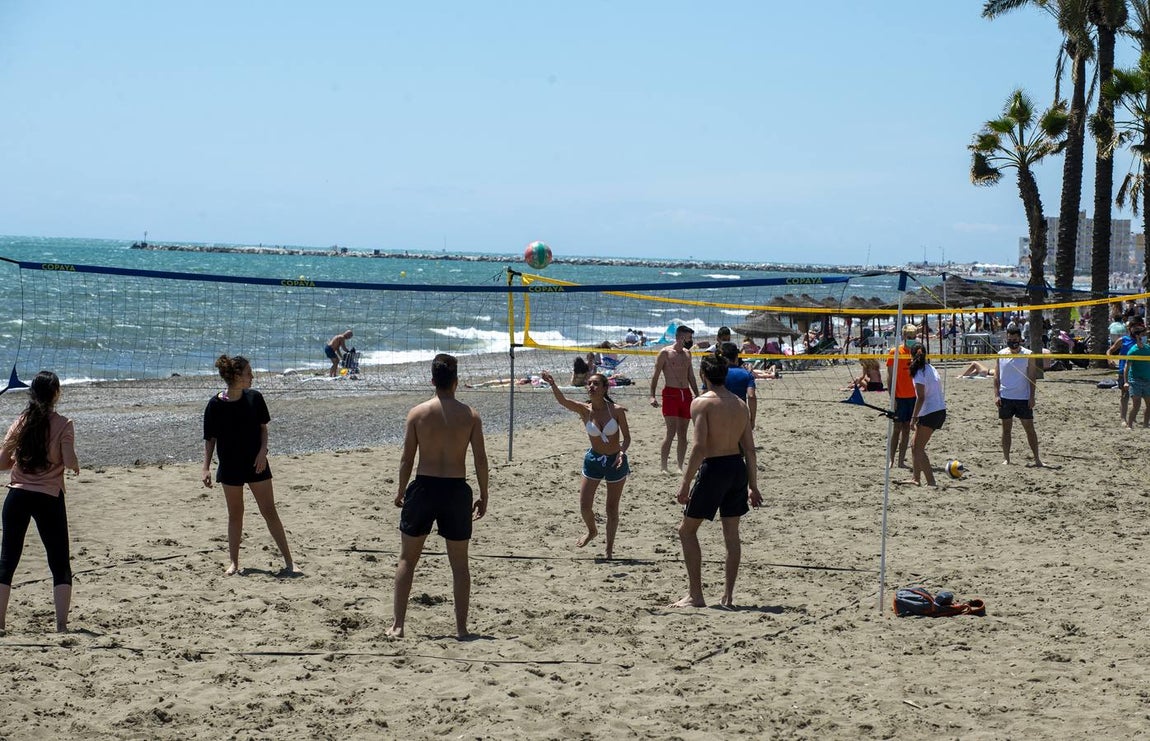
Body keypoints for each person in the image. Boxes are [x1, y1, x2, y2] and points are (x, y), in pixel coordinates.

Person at [390, 354, 489, 639]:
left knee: (407, 559)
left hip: (424, 488)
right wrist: (484, 494)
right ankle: (461, 628)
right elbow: (480, 460)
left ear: (432, 380)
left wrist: (400, 490)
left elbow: (406, 459)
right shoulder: (470, 415)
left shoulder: (418, 413)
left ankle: (398, 625)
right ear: (456, 381)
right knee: (460, 564)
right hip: (456, 489)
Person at [670, 355, 761, 608]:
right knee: (731, 535)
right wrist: (753, 485)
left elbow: (698, 447)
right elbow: (750, 450)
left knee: (686, 531)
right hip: (737, 468)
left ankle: (696, 595)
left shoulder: (701, 403)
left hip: (715, 469)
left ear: (702, 376)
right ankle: (728, 596)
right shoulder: (740, 404)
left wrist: (686, 482)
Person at [0, 371, 79, 633]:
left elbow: (2, 461)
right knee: (59, 562)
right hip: (48, 497)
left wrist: (17, 463)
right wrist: (75, 464)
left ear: (33, 394)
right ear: (56, 394)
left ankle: (0, 623)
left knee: (7, 561)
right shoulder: (64, 424)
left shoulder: (21, 421)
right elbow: (68, 461)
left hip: (17, 496)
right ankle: (61, 626)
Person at [202, 355, 295, 576]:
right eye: (248, 373)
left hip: (257, 463)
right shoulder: (214, 405)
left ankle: (290, 561)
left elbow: (263, 429)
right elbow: (210, 439)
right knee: (236, 513)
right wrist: (205, 467)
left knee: (269, 511)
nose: (252, 376)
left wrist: (263, 452)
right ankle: (234, 562)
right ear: (236, 376)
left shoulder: (255, 398)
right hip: (230, 464)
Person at [539, 370, 631, 558]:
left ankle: (609, 550)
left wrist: (622, 452)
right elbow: (563, 401)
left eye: (596, 384)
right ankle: (592, 531)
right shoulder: (584, 410)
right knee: (584, 506)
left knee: (611, 509)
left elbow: (627, 438)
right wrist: (552, 383)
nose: (591, 387)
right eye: (589, 383)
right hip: (594, 460)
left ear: (605, 388)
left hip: (615, 461)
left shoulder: (617, 410)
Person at [649, 325, 699, 472]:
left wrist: (697, 394)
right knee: (671, 432)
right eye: (689, 338)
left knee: (683, 433)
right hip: (670, 394)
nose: (691, 341)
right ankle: (664, 467)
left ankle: (679, 466)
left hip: (686, 394)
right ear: (681, 337)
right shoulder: (665, 353)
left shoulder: (688, 354)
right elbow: (655, 375)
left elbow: (691, 376)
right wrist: (652, 396)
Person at [995, 327, 1043, 466]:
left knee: (1029, 429)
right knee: (1006, 429)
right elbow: (996, 376)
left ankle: (1037, 459)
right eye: (1009, 340)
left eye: (1014, 340)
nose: (1012, 342)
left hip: (1023, 397)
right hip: (1005, 397)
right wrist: (996, 395)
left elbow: (1032, 377)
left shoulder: (1028, 354)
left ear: (1020, 339)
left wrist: (1032, 397)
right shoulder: (1001, 354)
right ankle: (1007, 459)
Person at [905, 345, 946, 487]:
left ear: (911, 356)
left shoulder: (919, 372)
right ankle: (916, 478)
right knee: (914, 445)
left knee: (918, 448)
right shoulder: (931, 368)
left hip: (931, 411)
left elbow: (921, 397)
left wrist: (913, 418)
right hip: (938, 410)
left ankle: (931, 481)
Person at [886, 324, 918, 469]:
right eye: (909, 337)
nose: (911, 340)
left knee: (906, 429)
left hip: (913, 397)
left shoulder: (917, 352)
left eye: (914, 337)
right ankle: (891, 459)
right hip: (899, 396)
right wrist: (892, 398)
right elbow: (890, 376)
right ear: (904, 337)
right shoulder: (895, 352)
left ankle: (901, 460)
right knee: (896, 428)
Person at [1108, 317, 1145, 423]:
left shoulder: (1144, 341)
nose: (1137, 329)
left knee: (1138, 396)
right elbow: (1110, 350)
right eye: (1135, 327)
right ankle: (1123, 418)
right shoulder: (1123, 340)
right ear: (1130, 328)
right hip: (1124, 372)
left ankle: (1133, 417)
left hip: (1139, 372)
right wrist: (1109, 359)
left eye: (1139, 327)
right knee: (1125, 395)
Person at [719, 343, 757, 426]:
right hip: (740, 412)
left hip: (720, 412)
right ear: (736, 357)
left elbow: (705, 394)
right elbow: (751, 396)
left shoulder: (715, 374)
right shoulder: (746, 374)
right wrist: (752, 419)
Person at [1125, 325, 1150, 428]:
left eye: (1145, 335)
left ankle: (1145, 425)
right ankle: (1129, 425)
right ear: (1137, 336)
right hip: (1135, 381)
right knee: (1136, 405)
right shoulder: (1133, 351)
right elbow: (1127, 367)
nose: (1145, 337)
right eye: (1143, 335)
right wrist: (1126, 382)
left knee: (1149, 405)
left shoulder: (1148, 348)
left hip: (1148, 380)